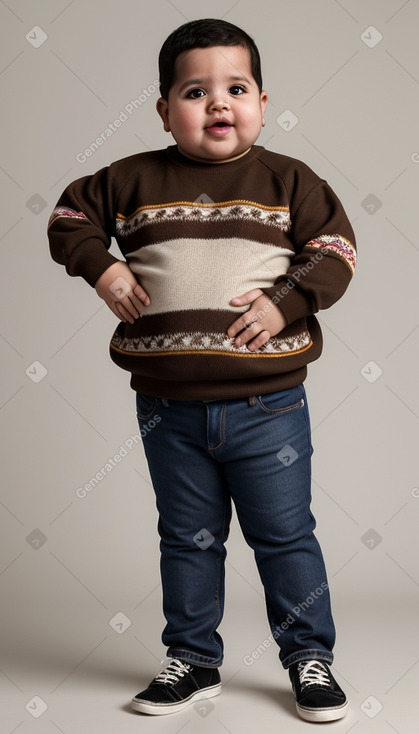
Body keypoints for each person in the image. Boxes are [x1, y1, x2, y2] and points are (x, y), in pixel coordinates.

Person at [47, 18, 356, 723]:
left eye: (235, 88)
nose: (218, 103)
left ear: (262, 101)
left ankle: (309, 658)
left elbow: (335, 250)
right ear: (164, 109)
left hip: (267, 403)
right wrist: (102, 267)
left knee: (284, 536)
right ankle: (192, 660)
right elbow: (68, 217)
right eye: (195, 90)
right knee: (185, 537)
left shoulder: (288, 180)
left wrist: (285, 302)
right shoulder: (129, 179)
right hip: (167, 406)